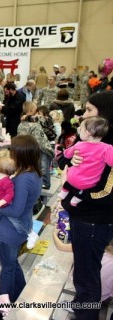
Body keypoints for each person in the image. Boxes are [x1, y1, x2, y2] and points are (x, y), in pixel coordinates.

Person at [58, 91, 113, 320]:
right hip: (83, 215)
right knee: (82, 268)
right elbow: (63, 159)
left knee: (89, 275)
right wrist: (71, 160)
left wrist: (77, 194)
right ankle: (81, 305)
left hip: (95, 219)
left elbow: (105, 190)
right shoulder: (91, 138)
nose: (84, 115)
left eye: (89, 110)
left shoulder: (108, 147)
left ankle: (86, 314)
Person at [0, 135, 42, 302]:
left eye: (12, 150)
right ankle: (19, 292)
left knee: (7, 268)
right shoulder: (34, 173)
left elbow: (15, 210)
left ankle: (3, 305)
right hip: (21, 228)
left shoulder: (22, 179)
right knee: (12, 264)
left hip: (10, 231)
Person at [59, 117, 113, 207]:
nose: (78, 130)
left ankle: (63, 192)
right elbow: (111, 162)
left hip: (72, 178)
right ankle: (76, 199)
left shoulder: (79, 144)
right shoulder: (107, 148)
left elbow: (66, 154)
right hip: (89, 183)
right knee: (83, 191)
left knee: (68, 183)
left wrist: (68, 154)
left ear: (87, 132)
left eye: (81, 128)